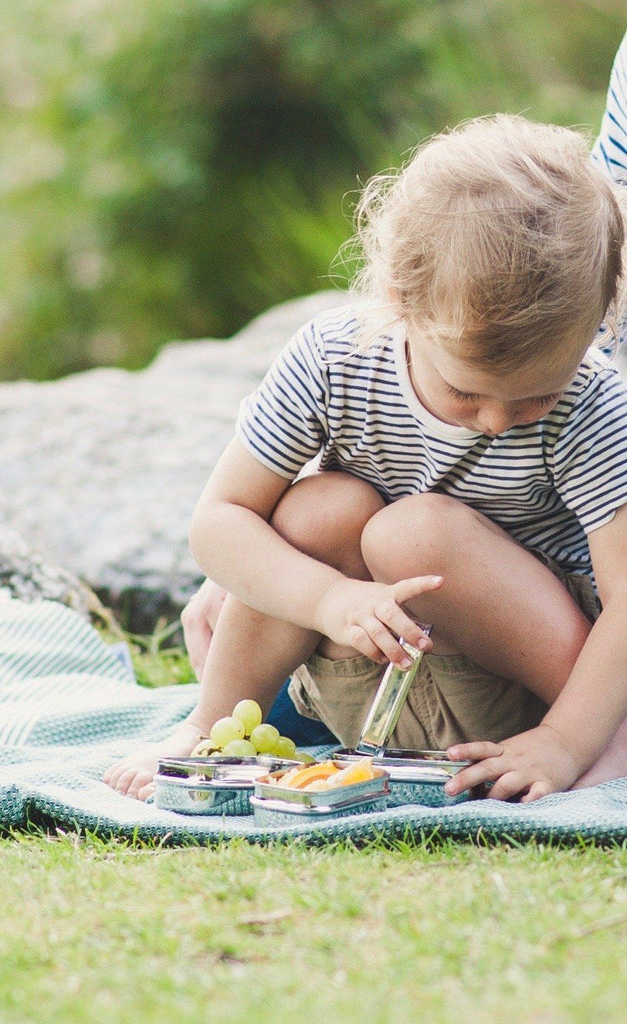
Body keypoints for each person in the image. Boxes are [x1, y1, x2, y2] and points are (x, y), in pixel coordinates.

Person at [103, 110, 627, 804]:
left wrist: (566, 739)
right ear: (400, 299)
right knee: (323, 507)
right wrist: (328, 598)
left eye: (536, 397)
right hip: (365, 680)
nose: (497, 422)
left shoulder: (592, 402)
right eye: (466, 391)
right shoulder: (334, 359)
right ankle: (210, 724)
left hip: (530, 701)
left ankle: (612, 741)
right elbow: (219, 520)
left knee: (413, 533)